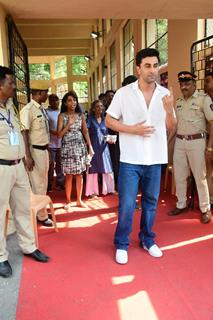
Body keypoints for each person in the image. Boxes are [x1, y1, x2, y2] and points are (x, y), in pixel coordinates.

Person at [106, 48, 176, 264]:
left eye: (156, 65)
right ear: (138, 68)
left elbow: (172, 127)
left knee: (151, 202)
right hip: (131, 160)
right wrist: (131, 129)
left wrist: (169, 110)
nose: (152, 70)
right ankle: (122, 243)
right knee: (127, 203)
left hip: (154, 159)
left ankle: (147, 238)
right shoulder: (124, 93)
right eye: (147, 65)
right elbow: (109, 121)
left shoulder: (165, 94)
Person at [0, 66, 50, 278]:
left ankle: (29, 246)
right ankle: (1, 257)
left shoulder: (10, 106)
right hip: (1, 167)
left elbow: (19, 133)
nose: (14, 86)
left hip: (19, 166)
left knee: (22, 208)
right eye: (10, 82)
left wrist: (24, 157)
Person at [169, 71, 213, 224]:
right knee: (179, 175)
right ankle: (181, 204)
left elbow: (212, 123)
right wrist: (168, 141)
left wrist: (209, 148)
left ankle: (205, 208)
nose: (184, 86)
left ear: (194, 84)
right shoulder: (179, 102)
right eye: (182, 84)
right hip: (180, 142)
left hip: (197, 142)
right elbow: (176, 126)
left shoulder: (203, 99)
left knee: (200, 177)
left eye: (187, 83)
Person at [20, 83, 53, 227]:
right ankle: (41, 215)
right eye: (46, 92)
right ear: (39, 93)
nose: (48, 95)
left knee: (43, 183)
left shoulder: (41, 109)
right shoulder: (28, 110)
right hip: (34, 151)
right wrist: (27, 156)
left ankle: (40, 210)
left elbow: (44, 132)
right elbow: (24, 132)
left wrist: (48, 150)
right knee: (38, 184)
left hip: (43, 150)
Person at [57, 91, 94, 209]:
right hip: (68, 148)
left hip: (79, 147)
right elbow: (59, 135)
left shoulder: (81, 115)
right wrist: (68, 124)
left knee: (79, 174)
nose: (73, 102)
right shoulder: (62, 116)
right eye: (70, 100)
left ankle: (79, 200)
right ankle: (68, 201)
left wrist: (90, 146)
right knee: (69, 175)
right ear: (65, 103)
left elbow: (85, 131)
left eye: (74, 100)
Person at [85, 100, 115, 197]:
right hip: (93, 146)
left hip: (104, 147)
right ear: (93, 109)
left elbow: (108, 133)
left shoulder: (105, 119)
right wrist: (89, 146)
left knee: (107, 167)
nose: (100, 108)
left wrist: (110, 139)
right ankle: (92, 192)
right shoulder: (90, 119)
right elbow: (85, 132)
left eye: (101, 106)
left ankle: (109, 189)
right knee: (92, 169)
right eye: (97, 106)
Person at [46, 94, 64, 191]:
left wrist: (61, 133)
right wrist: (56, 133)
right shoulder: (46, 112)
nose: (55, 102)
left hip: (60, 142)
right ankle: (49, 183)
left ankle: (60, 182)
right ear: (49, 102)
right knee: (51, 164)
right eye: (52, 100)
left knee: (60, 164)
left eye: (56, 100)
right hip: (51, 143)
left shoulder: (62, 112)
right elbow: (46, 128)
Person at [204, 72, 213, 207]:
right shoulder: (205, 99)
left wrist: (210, 147)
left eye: (208, 81)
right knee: (209, 172)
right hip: (208, 140)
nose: (206, 84)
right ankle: (210, 199)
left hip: (211, 142)